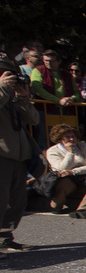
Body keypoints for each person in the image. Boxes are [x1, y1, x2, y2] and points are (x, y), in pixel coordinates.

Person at [0, 56, 38, 253]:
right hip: (2, 154)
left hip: (19, 155)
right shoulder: (3, 91)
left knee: (17, 201)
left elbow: (34, 119)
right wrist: (3, 88)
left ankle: (5, 238)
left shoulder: (11, 95)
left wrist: (23, 98)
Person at [45, 124, 86, 218]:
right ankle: (57, 205)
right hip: (68, 182)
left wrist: (74, 171)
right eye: (67, 137)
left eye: (73, 136)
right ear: (59, 138)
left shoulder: (85, 146)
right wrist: (70, 153)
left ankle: (84, 210)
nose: (71, 139)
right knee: (63, 182)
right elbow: (61, 169)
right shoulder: (53, 151)